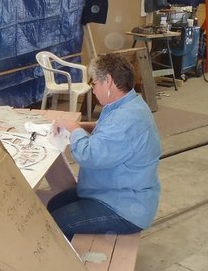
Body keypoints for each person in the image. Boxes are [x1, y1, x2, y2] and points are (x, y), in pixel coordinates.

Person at [47, 53, 162, 238]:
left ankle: (69, 265)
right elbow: (107, 133)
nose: (93, 89)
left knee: (55, 223)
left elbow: (89, 156)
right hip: (111, 189)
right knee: (54, 204)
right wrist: (84, 126)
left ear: (108, 81)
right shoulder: (127, 104)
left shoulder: (125, 119)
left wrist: (75, 129)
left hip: (125, 206)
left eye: (94, 84)